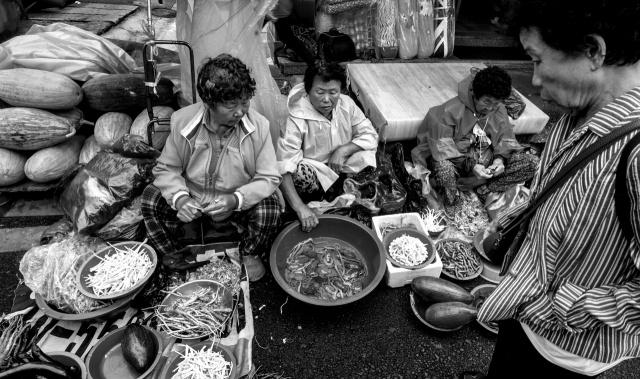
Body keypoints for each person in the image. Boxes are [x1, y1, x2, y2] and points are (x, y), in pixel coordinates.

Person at [461, 1, 640, 378]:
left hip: (563, 351)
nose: (535, 80)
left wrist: (566, 306)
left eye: (536, 60)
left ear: (593, 51)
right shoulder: (576, 115)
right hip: (522, 307)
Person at [141, 54, 282, 282]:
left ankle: (250, 252)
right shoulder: (182, 122)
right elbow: (166, 169)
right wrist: (181, 200)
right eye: (230, 105)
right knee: (150, 198)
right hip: (194, 197)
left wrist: (235, 200)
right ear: (208, 103)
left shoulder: (259, 127)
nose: (240, 111)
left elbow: (268, 177)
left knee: (270, 205)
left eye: (245, 101)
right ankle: (175, 256)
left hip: (235, 200)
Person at [411, 66, 539, 207]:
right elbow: (441, 149)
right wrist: (471, 165)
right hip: (457, 165)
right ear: (474, 94)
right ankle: (452, 200)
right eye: (486, 102)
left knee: (532, 163)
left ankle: (484, 190)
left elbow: (506, 138)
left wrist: (499, 160)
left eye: (496, 103)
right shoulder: (450, 111)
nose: (490, 108)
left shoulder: (499, 109)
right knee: (443, 167)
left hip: (485, 165)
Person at [277, 61, 379, 232]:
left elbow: (369, 135)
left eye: (333, 92)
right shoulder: (296, 117)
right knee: (300, 174)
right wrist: (300, 208)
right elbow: (283, 166)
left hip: (341, 166)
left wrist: (343, 150)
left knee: (370, 156)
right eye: (319, 92)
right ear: (308, 91)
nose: (326, 99)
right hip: (316, 174)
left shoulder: (346, 104)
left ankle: (341, 191)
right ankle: (317, 200)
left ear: (341, 91)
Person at [267, 0, 316, 66]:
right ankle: (311, 62)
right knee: (289, 39)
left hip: (280, 10)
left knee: (289, 39)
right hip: (278, 9)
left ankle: (311, 62)